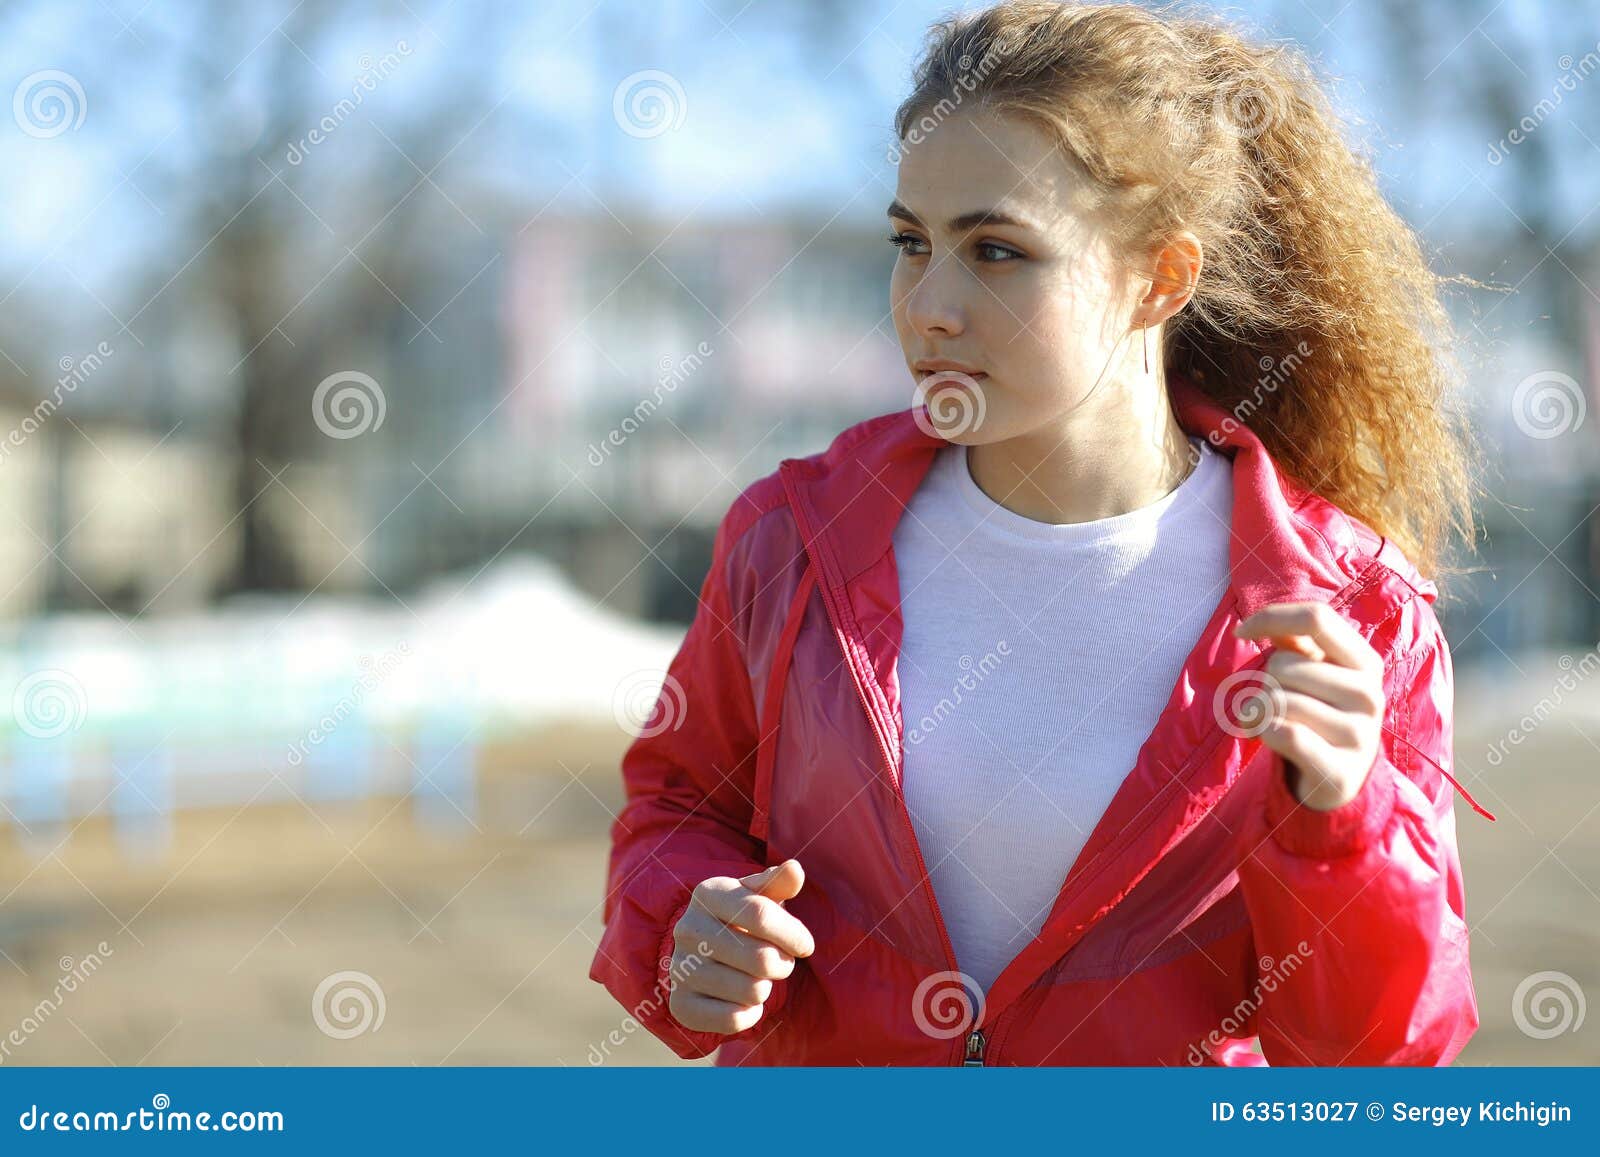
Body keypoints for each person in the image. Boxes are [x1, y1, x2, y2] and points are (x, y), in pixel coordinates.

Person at [589, 0, 1492, 1066]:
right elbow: (680, 807)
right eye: (910, 243)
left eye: (998, 251)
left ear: (1161, 278)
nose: (928, 304)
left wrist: (1341, 819)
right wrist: (688, 933)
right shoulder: (787, 539)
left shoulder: (1351, 605)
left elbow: (1370, 1056)